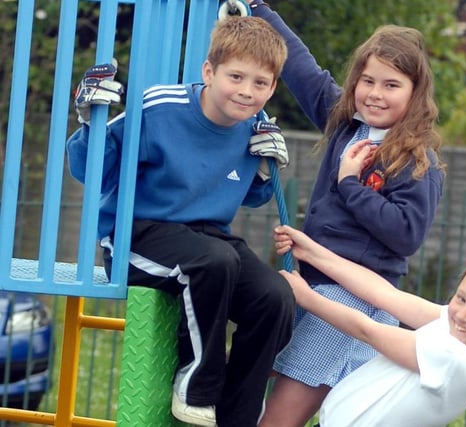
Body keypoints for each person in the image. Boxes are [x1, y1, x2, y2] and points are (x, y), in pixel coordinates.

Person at [66, 16, 295, 427]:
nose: (246, 91)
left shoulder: (253, 129)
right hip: (137, 233)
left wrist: (264, 170)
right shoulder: (161, 108)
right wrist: (89, 121)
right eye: (236, 77)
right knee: (213, 262)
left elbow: (252, 196)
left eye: (260, 83)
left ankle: (238, 415)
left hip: (206, 237)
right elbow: (91, 170)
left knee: (274, 296)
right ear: (209, 71)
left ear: (273, 87)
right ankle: (196, 388)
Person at [247, 1, 447, 425]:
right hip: (313, 283)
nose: (375, 93)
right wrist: (257, 9)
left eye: (391, 85)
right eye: (367, 80)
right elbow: (303, 70)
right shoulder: (347, 124)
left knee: (278, 419)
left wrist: (350, 185)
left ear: (414, 94)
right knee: (246, 385)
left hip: (355, 299)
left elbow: (406, 233)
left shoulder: (415, 158)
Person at [273, 224, 466, 427]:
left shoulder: (456, 357)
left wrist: (307, 298)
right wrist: (312, 252)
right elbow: (385, 294)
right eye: (461, 298)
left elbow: (368, 330)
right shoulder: (459, 333)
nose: (462, 314)